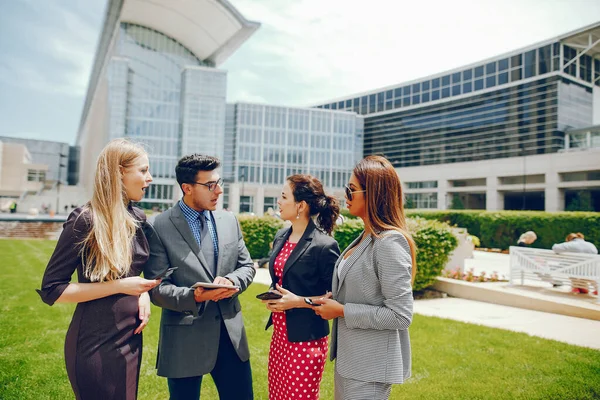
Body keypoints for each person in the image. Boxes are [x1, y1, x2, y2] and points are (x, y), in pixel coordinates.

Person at [37, 138, 159, 400]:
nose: (150, 179)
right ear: (119, 172)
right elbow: (52, 289)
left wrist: (143, 293)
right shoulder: (85, 220)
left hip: (130, 340)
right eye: (143, 170)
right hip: (95, 344)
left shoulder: (137, 218)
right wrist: (121, 286)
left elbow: (135, 271)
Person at [143, 154, 255, 400]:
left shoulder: (229, 220)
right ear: (187, 188)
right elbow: (156, 288)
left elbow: (247, 266)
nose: (219, 191)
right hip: (184, 337)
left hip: (230, 335)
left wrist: (233, 281)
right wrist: (193, 296)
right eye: (210, 185)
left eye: (219, 182)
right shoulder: (158, 226)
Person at [310, 155, 417, 400]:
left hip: (370, 367)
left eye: (352, 190)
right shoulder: (365, 236)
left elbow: (401, 315)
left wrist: (342, 310)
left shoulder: (389, 242)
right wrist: (335, 299)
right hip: (351, 361)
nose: (345, 195)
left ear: (375, 194)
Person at [260, 174, 341, 400]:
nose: (278, 201)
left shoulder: (324, 246)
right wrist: (273, 296)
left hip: (307, 340)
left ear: (301, 205)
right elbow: (282, 277)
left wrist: (297, 302)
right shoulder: (280, 237)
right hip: (280, 336)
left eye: (284, 196)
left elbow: (335, 296)